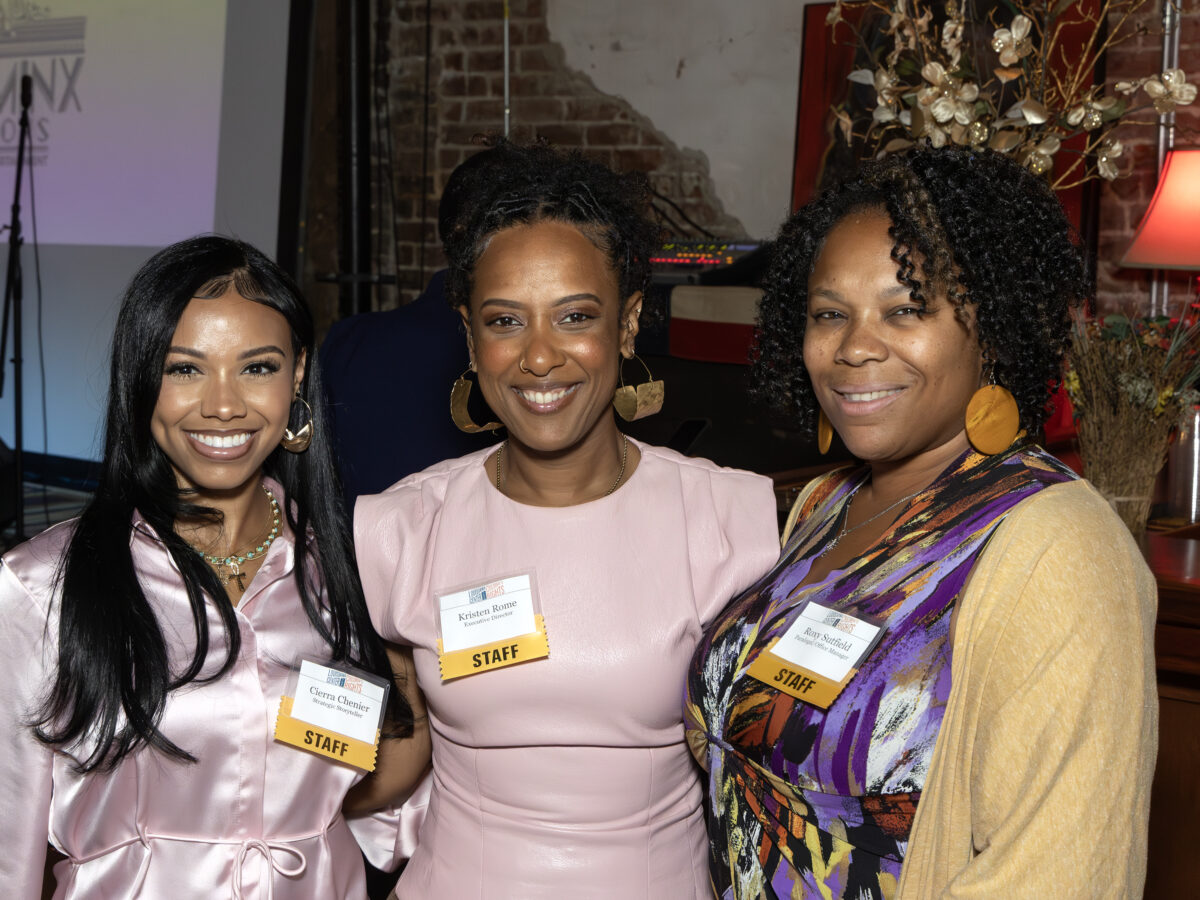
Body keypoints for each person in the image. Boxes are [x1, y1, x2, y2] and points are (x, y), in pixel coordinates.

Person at [685, 146, 1157, 899]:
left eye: (906, 310)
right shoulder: (823, 505)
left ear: (992, 331)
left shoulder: (1059, 550)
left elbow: (1063, 871)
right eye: (830, 314)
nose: (854, 347)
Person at [352, 141, 780, 897]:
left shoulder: (729, 523)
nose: (540, 357)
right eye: (505, 322)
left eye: (575, 316)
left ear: (628, 324)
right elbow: (398, 746)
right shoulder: (402, 529)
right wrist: (248, 738)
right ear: (470, 336)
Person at [0, 236, 428, 898]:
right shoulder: (41, 587)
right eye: (185, 369)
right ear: (142, 380)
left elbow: (382, 772)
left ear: (296, 375)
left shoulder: (348, 571)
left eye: (256, 367)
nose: (223, 405)